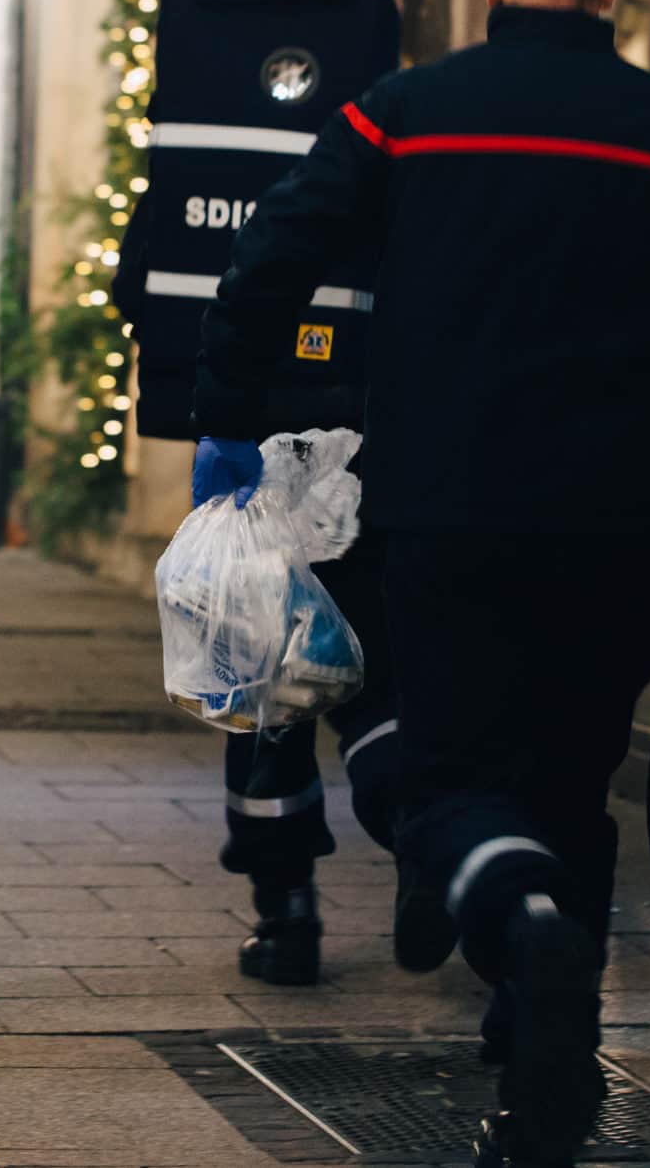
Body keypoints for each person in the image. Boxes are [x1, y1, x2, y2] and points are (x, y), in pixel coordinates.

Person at [191, 0, 650, 1167]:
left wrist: (233, 421)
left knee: (456, 775)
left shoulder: (401, 114)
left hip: (442, 513)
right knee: (572, 781)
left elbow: (270, 261)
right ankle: (544, 1068)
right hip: (611, 522)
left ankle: (508, 911)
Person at [111, 195, 401, 987]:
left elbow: (145, 286)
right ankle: (433, 854)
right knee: (383, 676)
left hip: (257, 463)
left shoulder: (231, 165)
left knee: (262, 689)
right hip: (379, 455)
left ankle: (287, 913)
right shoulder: (406, 164)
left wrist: (216, 410)